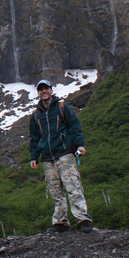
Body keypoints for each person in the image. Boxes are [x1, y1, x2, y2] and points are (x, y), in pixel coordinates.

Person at [29, 79, 93, 233]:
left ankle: (83, 219)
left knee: (73, 186)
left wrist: (80, 145)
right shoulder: (35, 115)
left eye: (46, 88)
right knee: (55, 191)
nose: (44, 91)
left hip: (64, 153)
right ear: (38, 93)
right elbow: (34, 138)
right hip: (47, 158)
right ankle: (60, 222)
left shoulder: (62, 107)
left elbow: (74, 127)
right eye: (41, 89)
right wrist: (33, 156)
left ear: (51, 90)